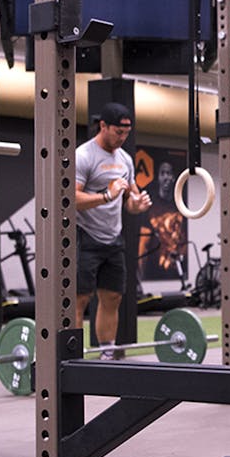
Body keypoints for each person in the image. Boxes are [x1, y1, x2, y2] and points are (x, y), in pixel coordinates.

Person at [75, 104, 152, 357]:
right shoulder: (83, 156)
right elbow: (70, 198)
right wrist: (106, 196)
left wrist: (137, 205)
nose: (122, 138)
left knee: (113, 297)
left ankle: (107, 353)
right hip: (84, 235)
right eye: (118, 132)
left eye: (126, 133)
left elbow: (131, 201)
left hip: (113, 238)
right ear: (103, 126)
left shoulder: (125, 159)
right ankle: (71, 354)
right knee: (79, 300)